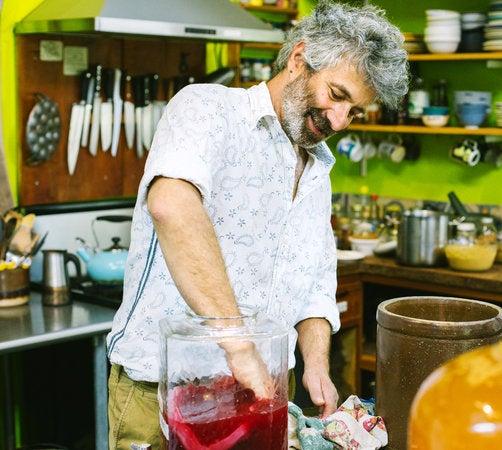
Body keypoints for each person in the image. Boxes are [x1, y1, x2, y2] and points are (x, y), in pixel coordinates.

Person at [106, 1, 409, 448]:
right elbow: (172, 205)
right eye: (338, 95)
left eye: (356, 112)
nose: (340, 121)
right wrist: (239, 344)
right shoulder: (207, 109)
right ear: (299, 58)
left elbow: (315, 283)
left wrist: (317, 366)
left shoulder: (318, 168)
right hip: (165, 394)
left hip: (265, 396)